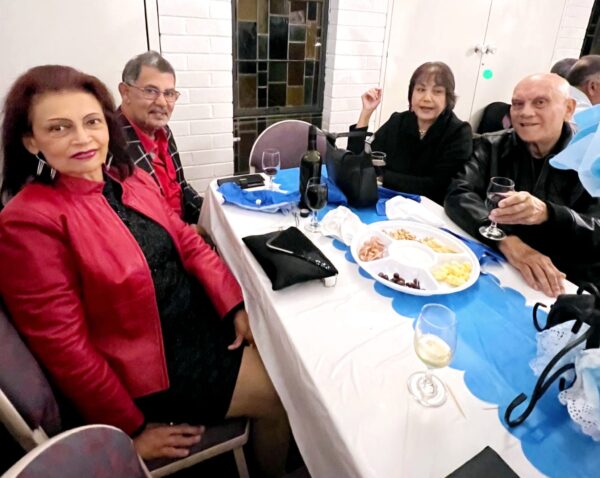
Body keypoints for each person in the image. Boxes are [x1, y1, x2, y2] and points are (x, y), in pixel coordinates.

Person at [0, 65, 289, 477]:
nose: (82, 139)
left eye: (91, 122)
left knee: (287, 345)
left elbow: (189, 244)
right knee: (280, 393)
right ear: (31, 141)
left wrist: (233, 306)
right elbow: (68, 350)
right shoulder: (28, 222)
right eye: (59, 128)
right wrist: (130, 427)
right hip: (147, 368)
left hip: (193, 321)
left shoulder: (127, 177)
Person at [445, 73, 600, 297]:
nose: (525, 112)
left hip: (564, 284)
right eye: (517, 104)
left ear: (568, 108)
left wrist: (549, 213)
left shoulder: (591, 160)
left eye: (540, 102)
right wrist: (507, 241)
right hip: (500, 265)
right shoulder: (492, 145)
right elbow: (458, 193)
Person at [347, 61, 473, 205]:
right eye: (420, 89)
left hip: (428, 211)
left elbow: (437, 187)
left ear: (448, 98)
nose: (427, 98)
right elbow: (357, 164)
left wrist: (383, 177)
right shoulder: (398, 121)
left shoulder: (458, 133)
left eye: (437, 91)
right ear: (411, 94)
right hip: (386, 202)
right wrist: (366, 113)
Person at [117, 51, 203, 226]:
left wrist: (213, 215)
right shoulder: (111, 144)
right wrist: (189, 234)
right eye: (150, 91)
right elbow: (128, 224)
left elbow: (182, 188)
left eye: (169, 93)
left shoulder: (164, 131)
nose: (163, 103)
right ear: (125, 92)